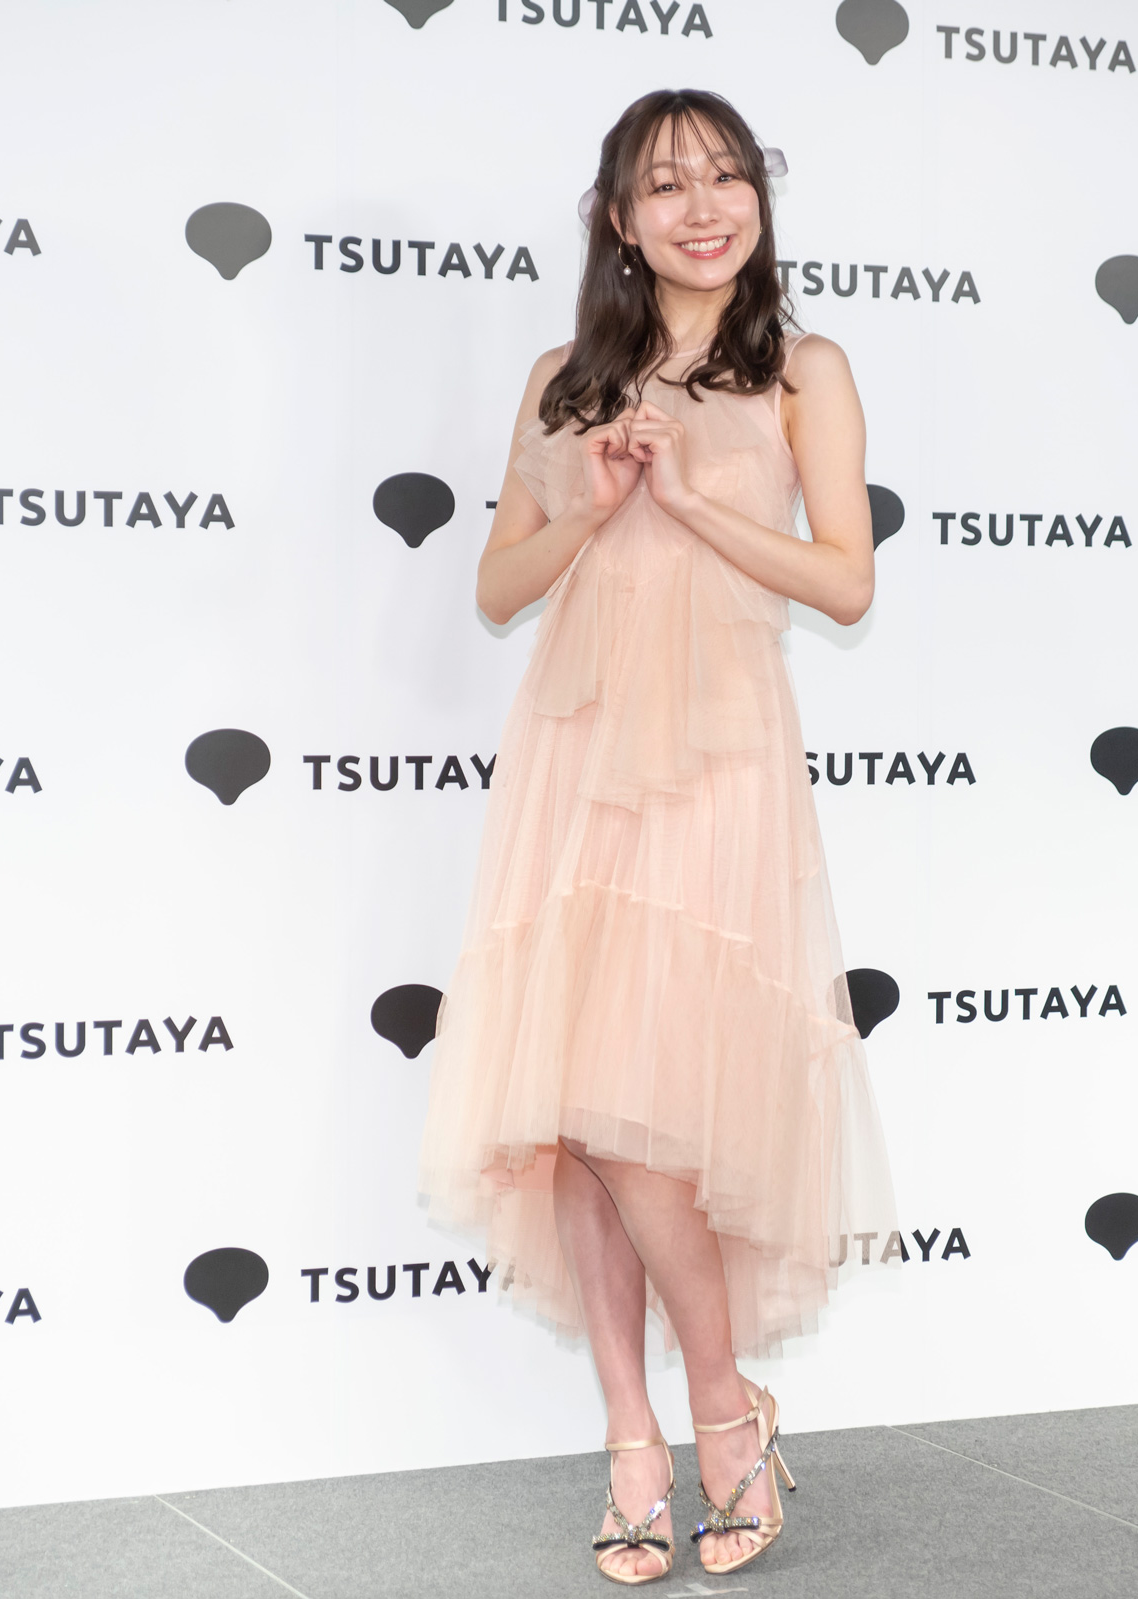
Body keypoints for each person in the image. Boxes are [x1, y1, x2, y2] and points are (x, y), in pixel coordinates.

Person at [417, 87, 896, 1584]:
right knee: (574, 1114)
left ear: (760, 201)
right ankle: (635, 1436)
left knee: (645, 1118)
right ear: (620, 220)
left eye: (729, 178)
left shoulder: (804, 369)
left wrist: (686, 501)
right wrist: (594, 503)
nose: (706, 208)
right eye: (670, 185)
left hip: (715, 766)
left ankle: (723, 1407)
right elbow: (500, 586)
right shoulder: (564, 381)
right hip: (574, 757)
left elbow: (846, 582)